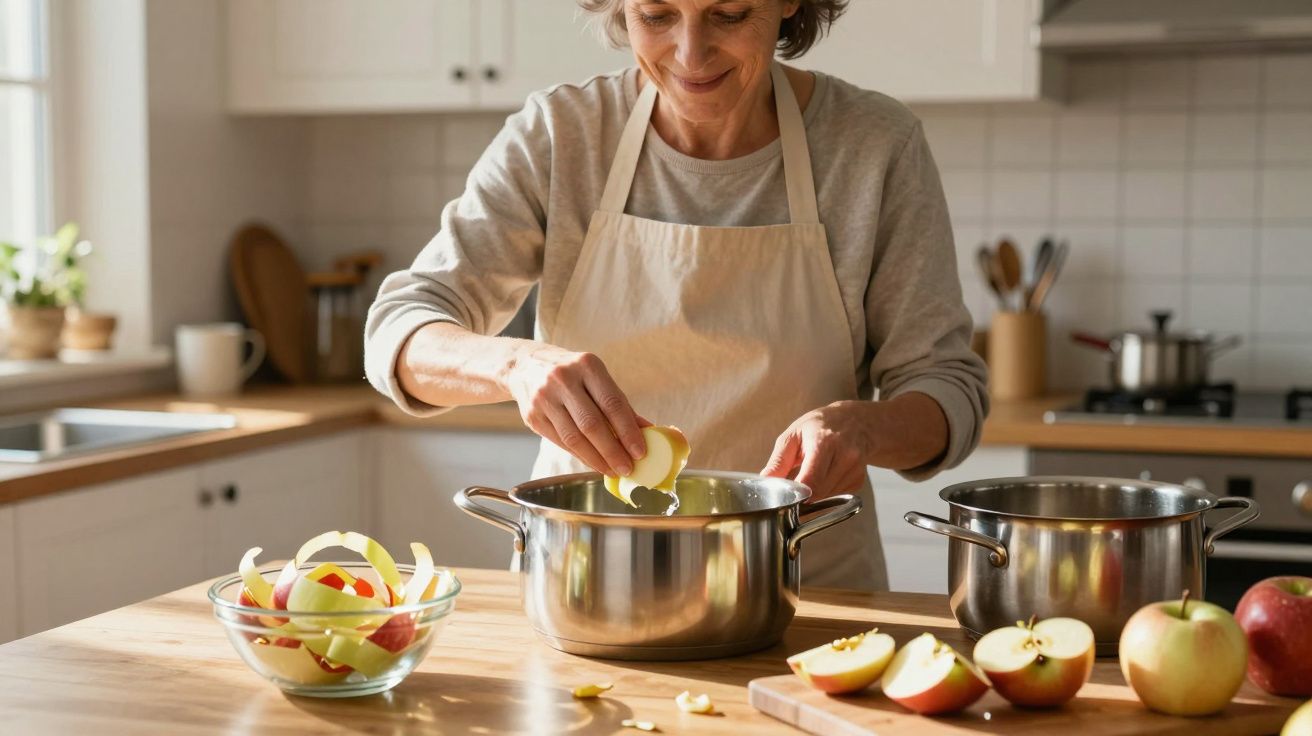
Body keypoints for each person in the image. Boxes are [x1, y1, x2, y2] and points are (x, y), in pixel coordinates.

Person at [365, 0, 988, 591]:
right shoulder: (562, 134)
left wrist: (863, 430)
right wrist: (513, 364)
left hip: (805, 594)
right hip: (582, 582)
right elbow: (398, 330)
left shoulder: (874, 145)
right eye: (656, 15)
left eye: (730, 14)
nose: (690, 54)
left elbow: (945, 389)